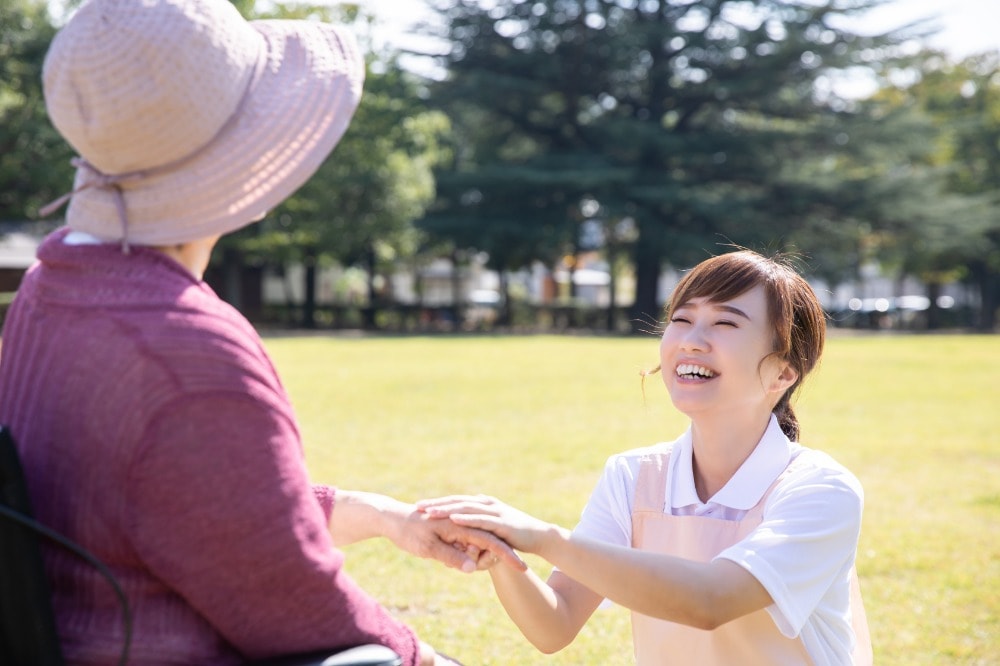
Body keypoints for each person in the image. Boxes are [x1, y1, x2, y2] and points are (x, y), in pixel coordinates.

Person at [0, 1, 522, 664]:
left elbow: (190, 506)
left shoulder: (48, 291)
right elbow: (296, 610)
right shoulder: (184, 352)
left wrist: (378, 517)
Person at [420, 250, 873, 665]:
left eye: (726, 323)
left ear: (784, 372)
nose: (691, 341)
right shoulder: (633, 476)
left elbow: (711, 600)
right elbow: (553, 625)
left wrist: (543, 537)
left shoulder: (820, 488)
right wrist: (500, 550)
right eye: (682, 319)